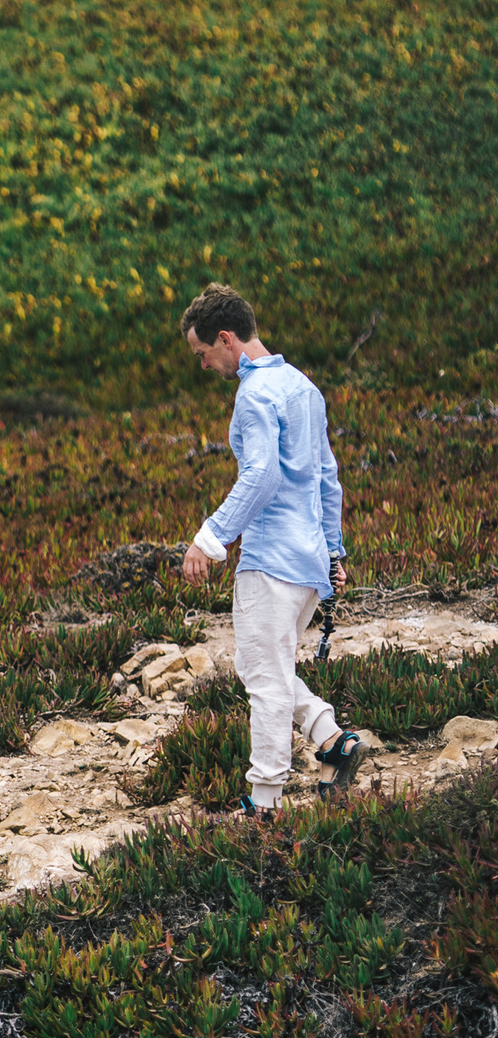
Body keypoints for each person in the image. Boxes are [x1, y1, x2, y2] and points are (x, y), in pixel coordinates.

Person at [178, 283, 362, 816]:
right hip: (307, 563)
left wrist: (210, 538)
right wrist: (333, 554)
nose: (203, 364)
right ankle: (331, 739)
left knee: (264, 680)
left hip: (270, 561)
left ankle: (265, 802)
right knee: (263, 666)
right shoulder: (304, 387)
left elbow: (261, 476)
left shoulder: (255, 394)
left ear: (226, 338)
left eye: (203, 353)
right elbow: (327, 478)